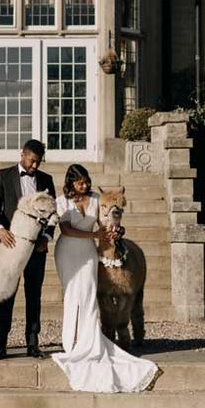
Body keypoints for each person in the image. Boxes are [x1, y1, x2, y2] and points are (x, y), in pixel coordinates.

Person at [51, 164, 159, 392]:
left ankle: (91, 342)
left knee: (90, 295)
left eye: (87, 181)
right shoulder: (62, 201)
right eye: (81, 182)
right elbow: (67, 229)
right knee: (72, 296)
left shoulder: (96, 199)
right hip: (67, 252)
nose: (86, 185)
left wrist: (116, 231)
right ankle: (71, 344)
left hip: (89, 253)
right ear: (71, 183)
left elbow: (110, 217)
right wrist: (94, 234)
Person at [0, 138, 56, 359]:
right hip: (10, 247)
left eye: (38, 162)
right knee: (6, 296)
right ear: (23, 154)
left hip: (36, 248)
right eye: (32, 161)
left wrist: (46, 237)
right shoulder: (3, 176)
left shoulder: (47, 179)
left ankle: (33, 343)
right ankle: (0, 345)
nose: (35, 166)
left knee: (34, 295)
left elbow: (53, 214)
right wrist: (0, 230)